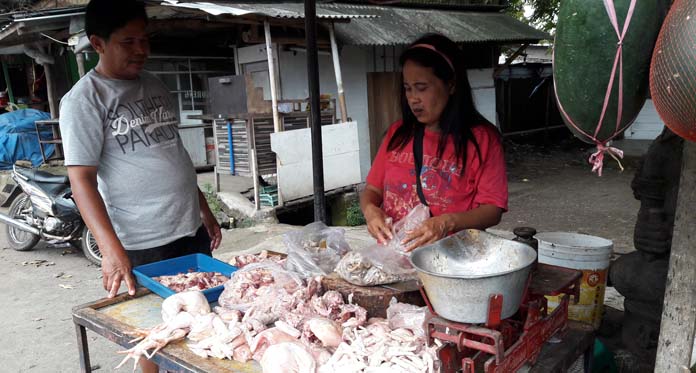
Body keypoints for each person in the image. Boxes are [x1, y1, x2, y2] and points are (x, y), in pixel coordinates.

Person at [59, 0, 222, 304]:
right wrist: (110, 251)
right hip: (145, 243)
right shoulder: (85, 100)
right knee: (156, 330)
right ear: (98, 43)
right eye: (128, 42)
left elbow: (174, 155)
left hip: (189, 230)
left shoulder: (156, 85)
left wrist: (203, 210)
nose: (141, 50)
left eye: (144, 40)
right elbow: (81, 180)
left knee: (202, 321)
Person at [361, 33, 508, 251]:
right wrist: (370, 210)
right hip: (394, 259)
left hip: (453, 260)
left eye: (422, 87)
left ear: (450, 85)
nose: (413, 98)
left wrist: (445, 222)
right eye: (408, 88)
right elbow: (372, 189)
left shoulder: (483, 140)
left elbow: (492, 210)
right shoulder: (397, 134)